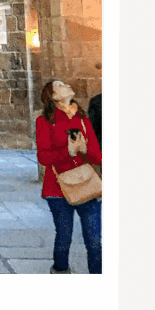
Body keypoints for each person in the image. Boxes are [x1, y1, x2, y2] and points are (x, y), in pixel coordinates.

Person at [35, 79, 102, 274]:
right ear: (54, 96)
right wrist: (69, 152)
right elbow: (44, 157)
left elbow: (97, 156)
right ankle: (61, 272)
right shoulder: (44, 121)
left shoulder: (83, 119)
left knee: (94, 239)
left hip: (86, 185)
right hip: (57, 188)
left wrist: (84, 149)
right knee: (64, 237)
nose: (67, 86)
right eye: (61, 85)